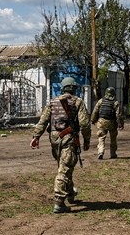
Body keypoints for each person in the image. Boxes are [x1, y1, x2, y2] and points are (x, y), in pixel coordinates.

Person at [30, 77, 92, 213]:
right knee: (64, 169)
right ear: (73, 88)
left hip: (54, 138)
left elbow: (43, 121)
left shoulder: (52, 102)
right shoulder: (78, 102)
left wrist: (36, 137)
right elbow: (84, 123)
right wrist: (87, 139)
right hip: (68, 138)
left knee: (64, 165)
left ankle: (70, 194)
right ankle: (59, 202)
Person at [90, 86, 124, 159]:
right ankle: (113, 153)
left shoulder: (101, 101)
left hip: (101, 122)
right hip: (112, 122)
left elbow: (95, 111)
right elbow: (119, 115)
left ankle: (100, 152)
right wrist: (120, 124)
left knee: (101, 137)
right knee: (113, 138)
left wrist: (93, 120)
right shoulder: (115, 102)